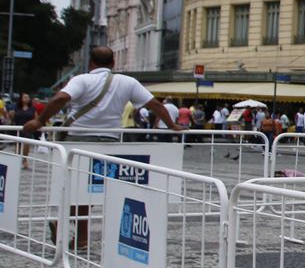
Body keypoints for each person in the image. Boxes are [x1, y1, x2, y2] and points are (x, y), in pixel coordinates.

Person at [22, 47, 184, 249]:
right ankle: (81, 236)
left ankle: (66, 223)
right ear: (113, 63)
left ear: (90, 63)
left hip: (78, 141)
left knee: (78, 187)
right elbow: (155, 105)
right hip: (109, 142)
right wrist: (172, 125)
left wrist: (40, 121)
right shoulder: (127, 82)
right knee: (90, 189)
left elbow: (60, 98)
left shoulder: (82, 80)